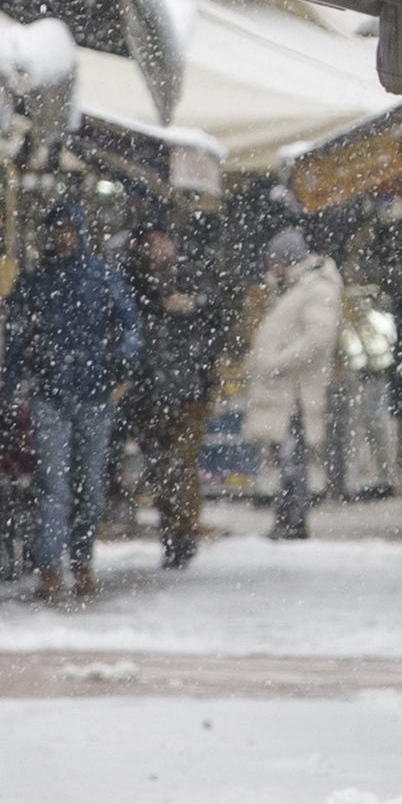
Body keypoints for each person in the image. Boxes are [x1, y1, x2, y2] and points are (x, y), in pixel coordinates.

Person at [2, 200, 141, 599]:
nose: (62, 238)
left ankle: (79, 560)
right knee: (55, 483)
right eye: (57, 230)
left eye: (68, 230)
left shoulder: (99, 278)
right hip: (56, 394)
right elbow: (16, 341)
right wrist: (11, 389)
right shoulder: (39, 283)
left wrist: (124, 358)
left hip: (91, 393)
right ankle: (52, 564)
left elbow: (130, 326)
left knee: (87, 484)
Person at [123, 219, 225, 569]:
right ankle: (174, 529)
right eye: (150, 243)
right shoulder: (132, 282)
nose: (157, 250)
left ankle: (181, 532)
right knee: (162, 465)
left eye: (161, 241)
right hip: (151, 389)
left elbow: (216, 318)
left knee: (178, 464)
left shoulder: (192, 277)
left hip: (187, 388)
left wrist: (194, 305)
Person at [240, 228, 343, 541]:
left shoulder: (314, 288)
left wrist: (278, 362)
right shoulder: (298, 287)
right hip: (287, 388)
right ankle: (288, 516)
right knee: (287, 456)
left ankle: (293, 520)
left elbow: (317, 338)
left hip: (295, 388)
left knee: (292, 456)